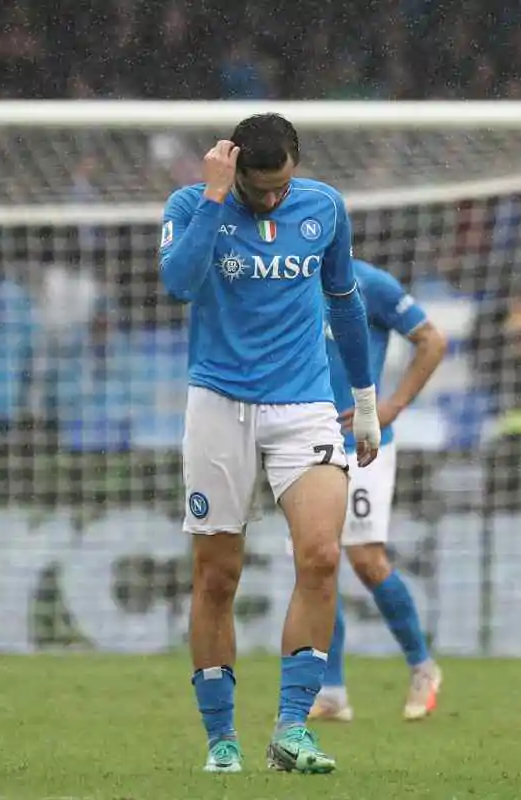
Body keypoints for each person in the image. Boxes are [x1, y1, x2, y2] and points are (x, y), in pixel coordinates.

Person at [158, 113, 380, 775]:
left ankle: (293, 730)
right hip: (219, 403)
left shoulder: (324, 207)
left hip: (304, 404)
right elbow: (178, 284)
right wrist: (215, 197)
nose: (273, 198)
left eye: (282, 185)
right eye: (259, 190)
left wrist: (366, 402)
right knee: (217, 576)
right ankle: (221, 738)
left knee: (321, 555)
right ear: (231, 168)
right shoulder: (193, 205)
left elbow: (345, 300)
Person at [308, 261, 448, 723]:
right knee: (316, 565)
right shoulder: (288, 278)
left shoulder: (369, 283)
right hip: (304, 445)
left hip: (362, 445)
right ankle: (332, 692)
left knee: (366, 559)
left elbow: (432, 340)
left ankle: (423, 666)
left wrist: (393, 406)